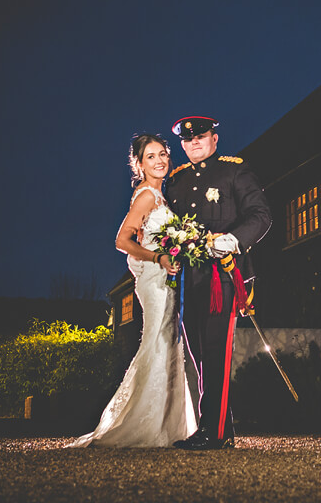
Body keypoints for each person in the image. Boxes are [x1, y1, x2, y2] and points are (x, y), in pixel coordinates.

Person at [70, 134, 197, 447]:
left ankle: (170, 424)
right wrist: (158, 256)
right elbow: (122, 240)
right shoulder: (146, 197)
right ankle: (146, 423)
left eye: (163, 154)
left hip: (166, 277)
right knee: (157, 341)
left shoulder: (161, 195)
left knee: (166, 342)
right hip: (154, 279)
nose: (160, 161)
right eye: (151, 156)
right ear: (139, 164)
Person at [168, 116, 271, 450]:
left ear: (214, 138)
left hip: (222, 275)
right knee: (198, 353)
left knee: (215, 351)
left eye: (200, 137)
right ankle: (218, 428)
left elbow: (260, 215)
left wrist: (233, 239)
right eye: (187, 140)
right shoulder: (177, 180)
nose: (194, 143)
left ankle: (214, 431)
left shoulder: (234, 171)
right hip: (188, 277)